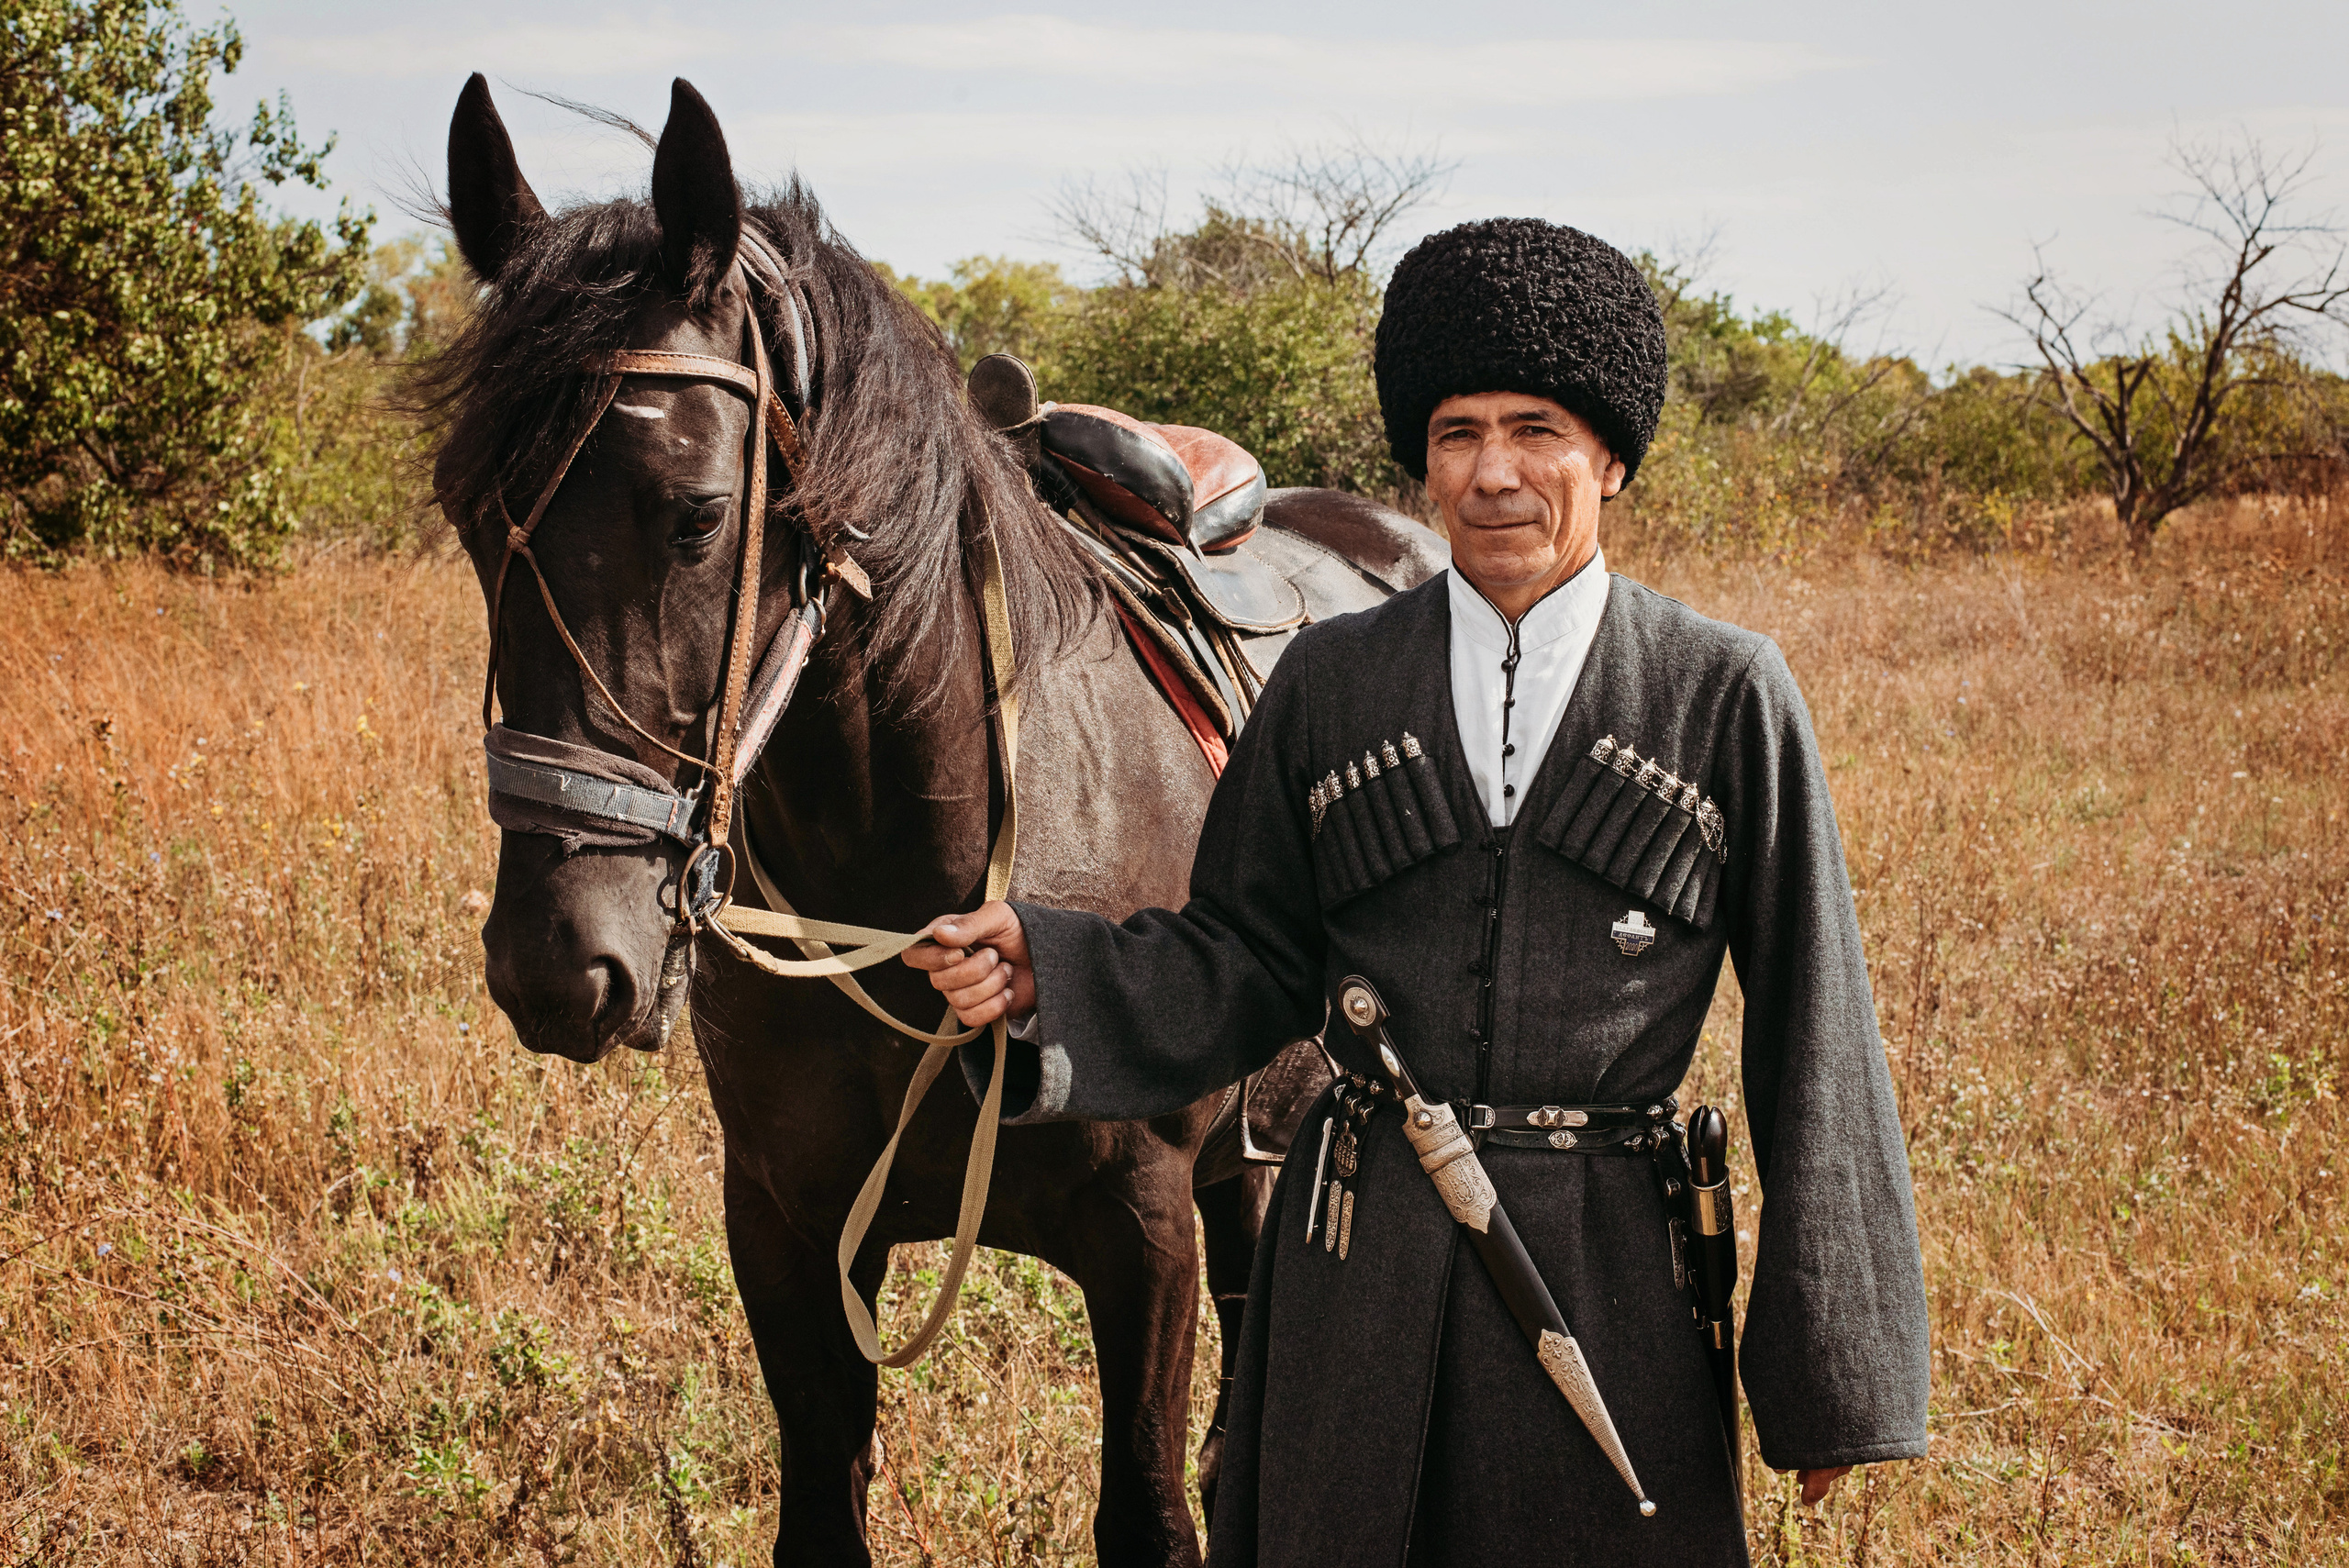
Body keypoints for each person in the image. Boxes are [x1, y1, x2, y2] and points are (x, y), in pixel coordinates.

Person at [907, 217, 1929, 1565]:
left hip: (1609, 1274)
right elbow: (1247, 958)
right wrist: (1059, 964)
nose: (1492, 474)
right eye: (1457, 435)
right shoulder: (1330, 682)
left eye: (1537, 432)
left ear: (1612, 459)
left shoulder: (1725, 693)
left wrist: (1834, 1374)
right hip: (1358, 1252)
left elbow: (1817, 1031)